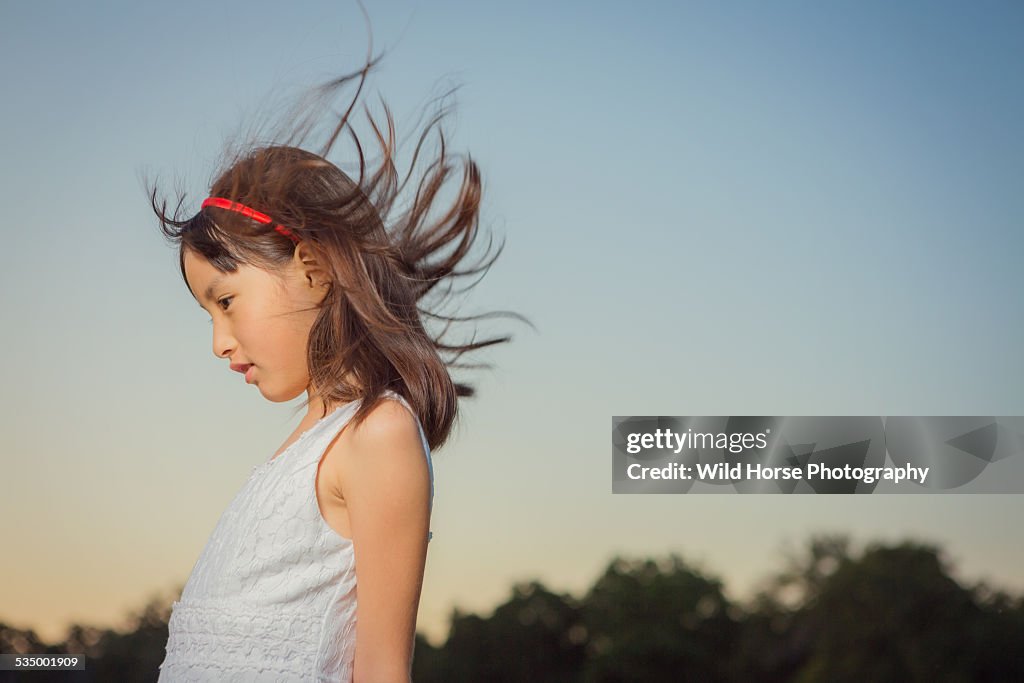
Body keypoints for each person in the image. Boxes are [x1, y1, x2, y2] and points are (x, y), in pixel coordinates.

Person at [147, 32, 528, 682]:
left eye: (228, 300)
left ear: (314, 269)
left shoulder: (378, 434)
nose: (218, 341)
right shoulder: (300, 448)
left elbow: (380, 670)